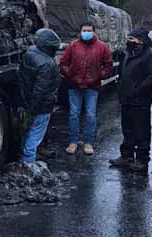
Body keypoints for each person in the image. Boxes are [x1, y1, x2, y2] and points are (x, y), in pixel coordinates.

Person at [109, 29, 152, 173]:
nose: (129, 41)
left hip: (140, 100)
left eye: (132, 39)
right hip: (126, 98)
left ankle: (142, 160)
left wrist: (138, 90)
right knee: (127, 129)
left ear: (141, 40)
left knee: (141, 130)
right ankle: (127, 156)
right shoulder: (129, 53)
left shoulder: (151, 55)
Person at [59, 23, 113, 156]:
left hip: (92, 86)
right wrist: (69, 74)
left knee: (90, 115)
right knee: (74, 114)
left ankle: (88, 142)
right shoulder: (73, 46)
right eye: (84, 30)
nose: (86, 32)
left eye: (89, 30)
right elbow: (63, 62)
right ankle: (73, 141)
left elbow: (108, 64)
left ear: (94, 32)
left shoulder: (102, 47)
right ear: (80, 31)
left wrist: (100, 76)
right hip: (74, 85)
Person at [18, 28, 62, 164]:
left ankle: (24, 159)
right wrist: (33, 110)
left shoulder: (29, 54)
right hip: (41, 107)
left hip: (26, 100)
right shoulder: (48, 64)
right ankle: (28, 163)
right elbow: (41, 91)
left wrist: (27, 108)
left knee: (27, 132)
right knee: (35, 134)